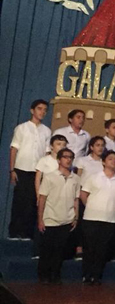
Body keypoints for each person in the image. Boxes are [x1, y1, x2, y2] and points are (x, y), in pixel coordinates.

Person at [78, 151, 115, 284]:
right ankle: (86, 275)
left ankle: (96, 275)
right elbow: (83, 194)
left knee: (102, 249)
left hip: (110, 219)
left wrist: (113, 207)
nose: (113, 161)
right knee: (89, 248)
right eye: (110, 159)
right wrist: (91, 206)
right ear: (103, 162)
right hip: (91, 218)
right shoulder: (94, 177)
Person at [8, 98, 51, 239]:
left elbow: (47, 153)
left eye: (45, 110)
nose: (42, 112)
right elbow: (14, 149)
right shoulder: (22, 128)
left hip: (37, 172)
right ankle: (14, 232)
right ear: (32, 110)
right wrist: (12, 170)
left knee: (33, 202)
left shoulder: (46, 131)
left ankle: (27, 233)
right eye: (39, 109)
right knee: (19, 201)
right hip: (22, 169)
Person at [36, 148, 79, 284]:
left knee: (60, 250)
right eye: (65, 157)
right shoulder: (50, 176)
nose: (68, 160)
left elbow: (76, 199)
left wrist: (76, 217)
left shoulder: (75, 178)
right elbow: (42, 198)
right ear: (59, 160)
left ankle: (55, 275)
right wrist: (40, 219)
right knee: (47, 249)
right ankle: (44, 275)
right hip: (50, 218)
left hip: (66, 219)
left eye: (70, 157)